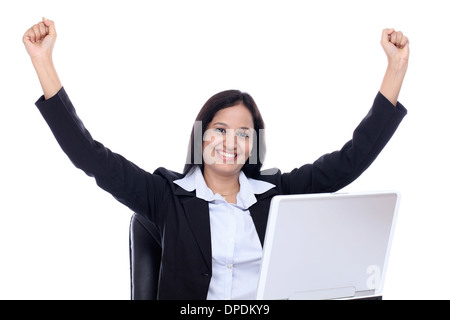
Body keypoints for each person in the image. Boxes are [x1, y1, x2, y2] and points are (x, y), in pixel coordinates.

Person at [23, 18, 409, 300]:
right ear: (201, 136)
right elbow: (90, 157)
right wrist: (43, 62)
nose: (231, 142)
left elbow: (349, 162)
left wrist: (395, 70)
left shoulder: (278, 195)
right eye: (220, 130)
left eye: (244, 134)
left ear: (254, 145)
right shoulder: (165, 196)